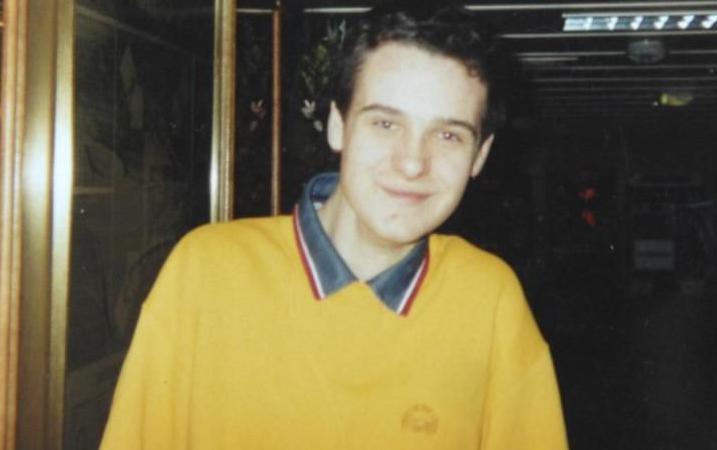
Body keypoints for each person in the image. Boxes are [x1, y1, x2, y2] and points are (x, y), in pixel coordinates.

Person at [101, 2, 568, 449]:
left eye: (448, 135)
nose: (411, 163)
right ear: (337, 126)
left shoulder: (489, 300)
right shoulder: (208, 270)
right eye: (385, 124)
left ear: (479, 156)